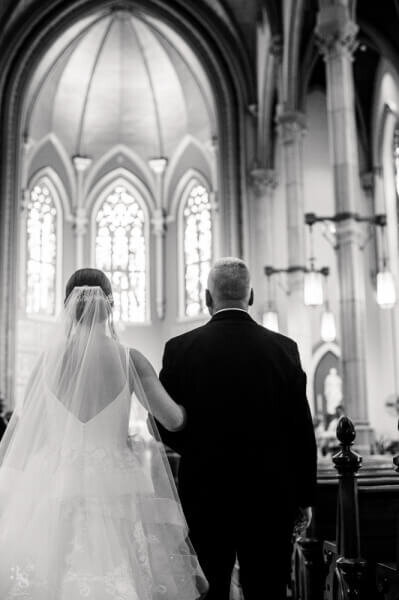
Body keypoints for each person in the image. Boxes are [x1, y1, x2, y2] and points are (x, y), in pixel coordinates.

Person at [0, 268, 208, 600]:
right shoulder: (131, 359)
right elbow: (171, 419)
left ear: (67, 305)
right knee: (122, 568)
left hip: (55, 479)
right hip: (116, 480)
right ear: (110, 305)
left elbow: (30, 430)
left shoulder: (46, 362)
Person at [155, 257, 317, 600]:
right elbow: (301, 429)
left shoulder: (180, 349)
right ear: (252, 296)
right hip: (271, 497)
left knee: (210, 588)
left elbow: (165, 425)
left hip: (205, 495)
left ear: (206, 298)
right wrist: (304, 497)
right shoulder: (284, 350)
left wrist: (198, 446)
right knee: (268, 588)